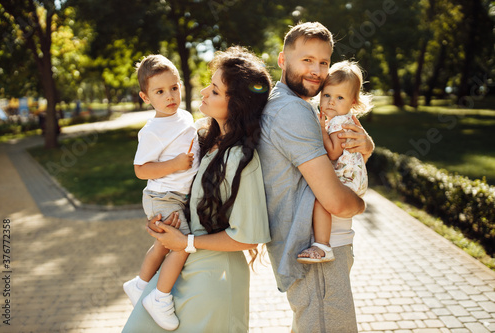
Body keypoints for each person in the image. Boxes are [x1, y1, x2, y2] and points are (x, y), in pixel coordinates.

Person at [122, 46, 272, 332]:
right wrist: (163, 220)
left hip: (215, 279)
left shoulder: (241, 159)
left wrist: (185, 243)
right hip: (183, 266)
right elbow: (164, 180)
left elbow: (249, 237)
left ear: (236, 104)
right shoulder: (202, 136)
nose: (203, 91)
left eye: (214, 90)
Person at [257, 22, 374, 332]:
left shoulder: (296, 106)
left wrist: (365, 149)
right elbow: (337, 201)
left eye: (323, 62)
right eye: (306, 60)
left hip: (313, 252)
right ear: (283, 61)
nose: (317, 70)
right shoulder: (292, 111)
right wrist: (360, 204)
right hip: (315, 254)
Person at [122, 54, 199, 330]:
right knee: (181, 244)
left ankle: (139, 283)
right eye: (160, 92)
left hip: (177, 197)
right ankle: (159, 297)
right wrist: (175, 164)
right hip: (163, 197)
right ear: (146, 97)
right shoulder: (152, 130)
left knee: (163, 244)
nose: (170, 96)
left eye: (174, 88)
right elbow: (141, 170)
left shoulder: (185, 116)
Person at [297, 60, 373, 264]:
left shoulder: (340, 123)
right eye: (327, 95)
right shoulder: (337, 119)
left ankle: (322, 246)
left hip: (348, 178)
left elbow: (332, 152)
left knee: (322, 200)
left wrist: (322, 130)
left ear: (353, 103)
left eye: (340, 97)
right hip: (350, 174)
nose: (331, 102)